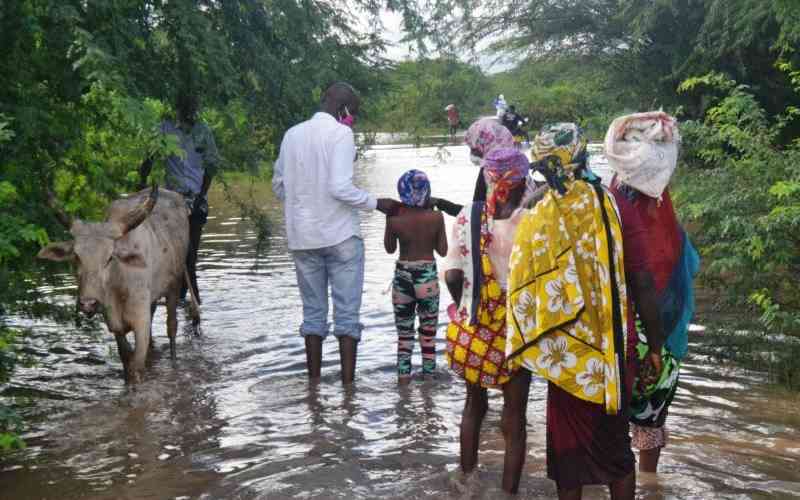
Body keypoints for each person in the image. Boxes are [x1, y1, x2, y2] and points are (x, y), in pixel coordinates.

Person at [505, 123, 637, 500]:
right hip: (610, 353)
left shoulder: (543, 211)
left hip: (568, 353)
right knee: (617, 454)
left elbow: (524, 279)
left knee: (568, 458)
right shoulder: (605, 198)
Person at [272, 81, 399, 385]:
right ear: (343, 109)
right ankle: (347, 390)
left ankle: (314, 387)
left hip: (302, 238)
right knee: (347, 316)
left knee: (313, 314)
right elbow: (339, 187)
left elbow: (279, 186)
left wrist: (305, 200)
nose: (351, 119)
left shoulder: (292, 135)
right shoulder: (342, 134)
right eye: (352, 113)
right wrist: (376, 203)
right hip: (340, 237)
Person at [604, 112, 699, 473]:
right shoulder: (664, 219)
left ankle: (620, 482)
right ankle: (648, 484)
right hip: (657, 336)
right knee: (651, 419)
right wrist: (656, 346)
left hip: (615, 334)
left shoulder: (611, 204)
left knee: (609, 423)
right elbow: (680, 269)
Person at [443, 147, 532, 493]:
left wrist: (468, 309)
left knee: (473, 406)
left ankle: (467, 478)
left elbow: (452, 275)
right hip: (516, 328)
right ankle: (509, 492)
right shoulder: (531, 219)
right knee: (514, 418)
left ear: (488, 176)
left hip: (473, 325)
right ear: (522, 179)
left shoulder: (467, 215)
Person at [139, 90, 220, 304]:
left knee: (191, 255)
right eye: (186, 107)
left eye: (193, 107)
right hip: (170, 202)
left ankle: (191, 301)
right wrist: (140, 182)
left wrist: (202, 195)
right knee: (171, 254)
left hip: (195, 199)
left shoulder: (204, 131)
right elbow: (149, 157)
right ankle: (176, 296)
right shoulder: (165, 129)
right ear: (179, 109)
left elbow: (212, 166)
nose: (190, 112)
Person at [384, 169, 448, 381]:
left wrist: (389, 219)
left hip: (403, 276)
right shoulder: (436, 217)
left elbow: (389, 248)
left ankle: (403, 380)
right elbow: (443, 251)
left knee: (404, 334)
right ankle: (428, 383)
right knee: (428, 334)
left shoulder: (394, 219)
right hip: (426, 277)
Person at [431, 117, 514, 217]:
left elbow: (476, 215)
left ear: (485, 143)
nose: (473, 153)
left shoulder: (488, 173)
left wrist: (441, 204)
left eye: (475, 148)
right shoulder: (520, 166)